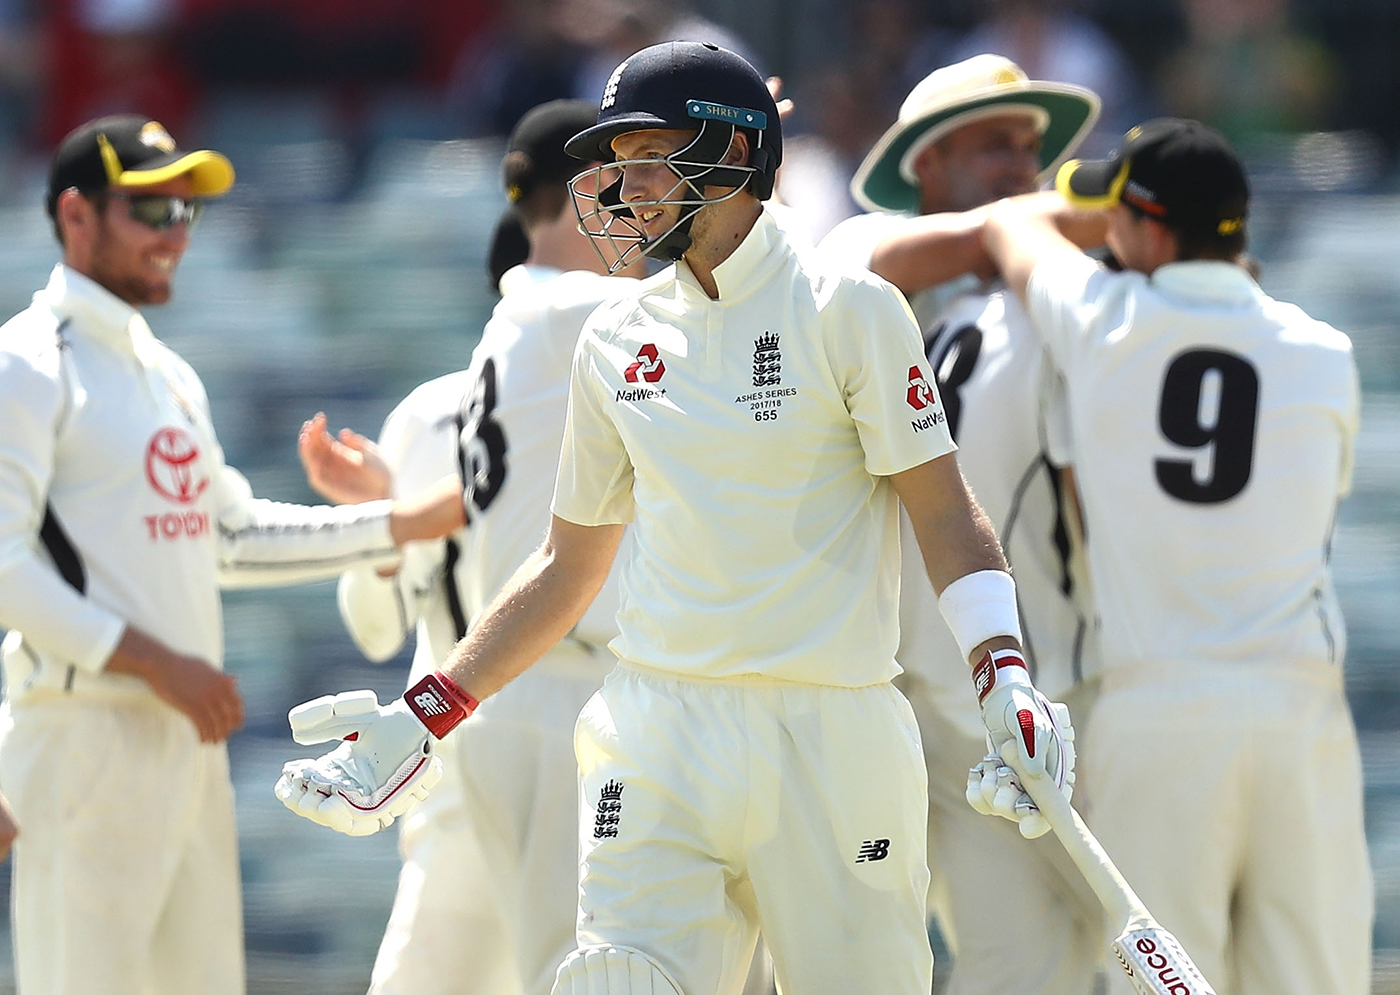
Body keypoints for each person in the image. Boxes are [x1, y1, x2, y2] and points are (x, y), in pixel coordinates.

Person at [276, 41, 1075, 995]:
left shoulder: (848, 309)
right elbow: (566, 567)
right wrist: (428, 712)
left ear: (734, 157)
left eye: (649, 155)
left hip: (831, 736)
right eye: (618, 160)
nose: (623, 187)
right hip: (655, 732)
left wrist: (1004, 675)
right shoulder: (613, 336)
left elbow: (946, 515)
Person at [0, 114, 459, 995]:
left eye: (185, 210)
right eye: (149, 209)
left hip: (184, 731)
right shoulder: (30, 363)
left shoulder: (168, 373)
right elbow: (7, 564)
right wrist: (153, 661)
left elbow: (231, 537)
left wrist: (395, 525)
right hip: (79, 731)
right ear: (75, 216)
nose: (175, 231)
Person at [982, 118, 1372, 995]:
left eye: (1119, 220)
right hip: (1297, 707)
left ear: (1152, 232)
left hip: (1158, 708)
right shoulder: (1323, 352)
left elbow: (1011, 226)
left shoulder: (1102, 315)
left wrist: (1086, 230)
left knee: (1163, 982)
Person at [297, 98, 645, 995]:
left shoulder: (570, 371)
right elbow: (375, 627)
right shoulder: (443, 401)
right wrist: (382, 524)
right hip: (479, 734)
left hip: (512, 720)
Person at [819, 53, 1104, 995]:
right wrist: (1059, 222)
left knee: (1041, 969)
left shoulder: (1060, 288)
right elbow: (906, 255)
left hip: (1042, 690)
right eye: (995, 145)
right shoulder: (860, 255)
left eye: (1030, 149)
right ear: (925, 165)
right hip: (892, 699)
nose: (1021, 168)